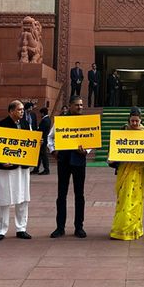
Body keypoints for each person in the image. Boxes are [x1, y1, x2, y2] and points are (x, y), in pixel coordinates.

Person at [109, 107, 144, 240]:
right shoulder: (122, 131)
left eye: (137, 121)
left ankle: (134, 229)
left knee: (136, 201)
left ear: (141, 120)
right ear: (129, 119)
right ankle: (119, 230)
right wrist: (111, 159)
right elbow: (114, 150)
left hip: (139, 172)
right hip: (124, 170)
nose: (134, 124)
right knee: (123, 199)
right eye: (132, 121)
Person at [48, 96, 90, 238]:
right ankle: (60, 227)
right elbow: (50, 137)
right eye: (77, 105)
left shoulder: (86, 122)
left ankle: (79, 227)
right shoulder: (62, 121)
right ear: (70, 106)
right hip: (64, 160)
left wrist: (86, 150)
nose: (80, 107)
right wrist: (53, 150)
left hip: (79, 161)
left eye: (81, 105)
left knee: (79, 195)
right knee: (61, 195)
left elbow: (91, 138)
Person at [0, 100, 33, 241]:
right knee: (4, 198)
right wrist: (2, 160)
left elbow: (31, 143)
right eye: (19, 109)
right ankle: (0, 230)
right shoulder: (0, 124)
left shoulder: (27, 124)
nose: (22, 111)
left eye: (22, 109)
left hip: (22, 168)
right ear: (11, 111)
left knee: (22, 198)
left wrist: (36, 143)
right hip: (6, 168)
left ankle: (21, 228)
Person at [32, 107, 50, 175]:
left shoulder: (45, 120)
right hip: (43, 140)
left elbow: (41, 130)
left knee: (43, 155)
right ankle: (36, 169)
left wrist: (36, 131)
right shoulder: (47, 119)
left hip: (42, 140)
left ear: (42, 113)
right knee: (39, 155)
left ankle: (46, 169)